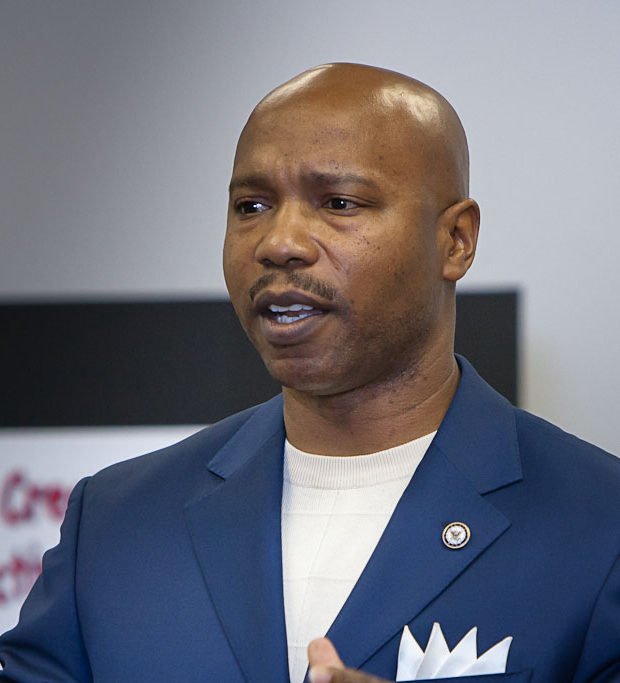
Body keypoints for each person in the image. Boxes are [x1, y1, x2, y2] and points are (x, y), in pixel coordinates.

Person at [1, 63, 619, 683]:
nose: (279, 242)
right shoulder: (114, 523)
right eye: (251, 206)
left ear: (456, 240)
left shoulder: (600, 524)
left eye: (339, 203)